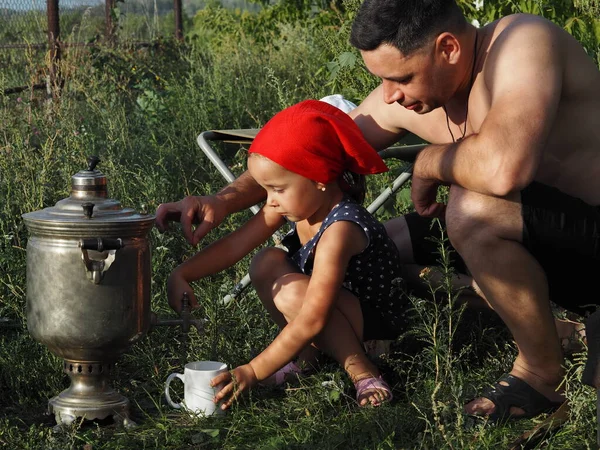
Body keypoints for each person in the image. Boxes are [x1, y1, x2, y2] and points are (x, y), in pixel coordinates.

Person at [156, 1, 600, 422]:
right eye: (382, 80)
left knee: (471, 208)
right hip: (533, 232)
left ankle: (541, 373)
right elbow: (308, 160)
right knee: (378, 243)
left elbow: (504, 167)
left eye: (401, 78)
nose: (389, 96)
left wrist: (428, 162)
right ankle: (527, 326)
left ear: (448, 48)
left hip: (589, 237)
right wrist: (223, 200)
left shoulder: (522, 41)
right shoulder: (409, 96)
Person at [167, 99, 410, 410]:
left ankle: (363, 371)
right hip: (336, 314)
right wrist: (183, 273)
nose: (270, 200)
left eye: (278, 189)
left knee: (293, 294)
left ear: (319, 179)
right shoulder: (300, 204)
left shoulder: (341, 229)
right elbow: (234, 245)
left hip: (377, 332)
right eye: (266, 189)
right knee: (265, 261)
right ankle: (306, 359)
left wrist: (253, 370)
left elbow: (312, 316)